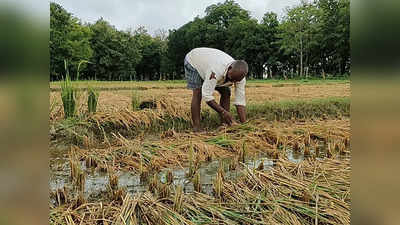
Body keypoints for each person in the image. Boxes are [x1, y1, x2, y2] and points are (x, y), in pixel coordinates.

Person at [184, 47, 248, 132]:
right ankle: (197, 127)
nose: (231, 82)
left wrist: (244, 125)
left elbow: (240, 102)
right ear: (229, 68)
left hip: (210, 64)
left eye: (235, 81)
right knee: (198, 92)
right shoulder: (215, 71)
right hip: (194, 61)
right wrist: (223, 112)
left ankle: (224, 124)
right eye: (230, 79)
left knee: (226, 92)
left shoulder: (239, 78)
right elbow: (206, 95)